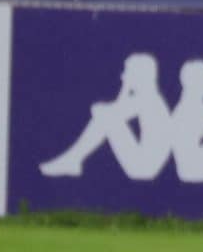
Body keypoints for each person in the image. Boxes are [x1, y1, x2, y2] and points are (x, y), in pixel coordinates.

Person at [39, 52, 173, 180]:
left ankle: (72, 159)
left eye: (127, 71)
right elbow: (116, 110)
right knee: (107, 117)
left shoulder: (147, 99)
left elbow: (106, 111)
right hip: (143, 166)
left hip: (143, 168)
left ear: (139, 75)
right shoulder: (149, 98)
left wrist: (125, 88)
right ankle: (73, 159)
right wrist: (124, 90)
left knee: (105, 117)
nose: (123, 76)